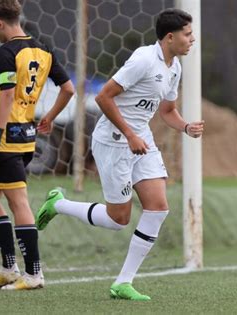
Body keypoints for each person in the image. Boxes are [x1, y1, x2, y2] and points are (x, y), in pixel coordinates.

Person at [37, 9, 204, 300]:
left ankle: (123, 282)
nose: (192, 40)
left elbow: (167, 111)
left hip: (141, 139)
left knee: (158, 207)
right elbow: (103, 97)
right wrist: (129, 134)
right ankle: (59, 204)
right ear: (170, 36)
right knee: (118, 219)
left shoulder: (174, 66)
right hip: (115, 140)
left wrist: (186, 126)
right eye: (188, 34)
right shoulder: (143, 59)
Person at [0, 0, 75, 290]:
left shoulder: (7, 51)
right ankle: (9, 267)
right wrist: (49, 116)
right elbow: (68, 89)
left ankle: (34, 274)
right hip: (28, 133)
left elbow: (7, 97)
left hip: (8, 137)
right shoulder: (43, 49)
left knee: (18, 201)